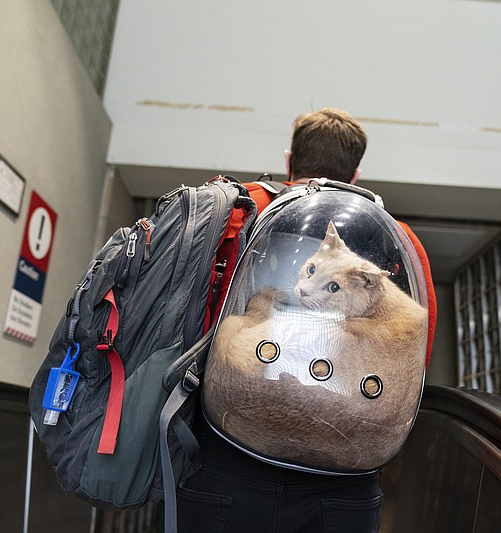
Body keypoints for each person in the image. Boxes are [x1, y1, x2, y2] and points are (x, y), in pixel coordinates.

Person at [177, 108, 438, 532]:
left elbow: (193, 317)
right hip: (343, 473)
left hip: (228, 452)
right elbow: (413, 356)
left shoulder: (242, 210)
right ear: (355, 175)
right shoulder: (399, 239)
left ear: (288, 161)